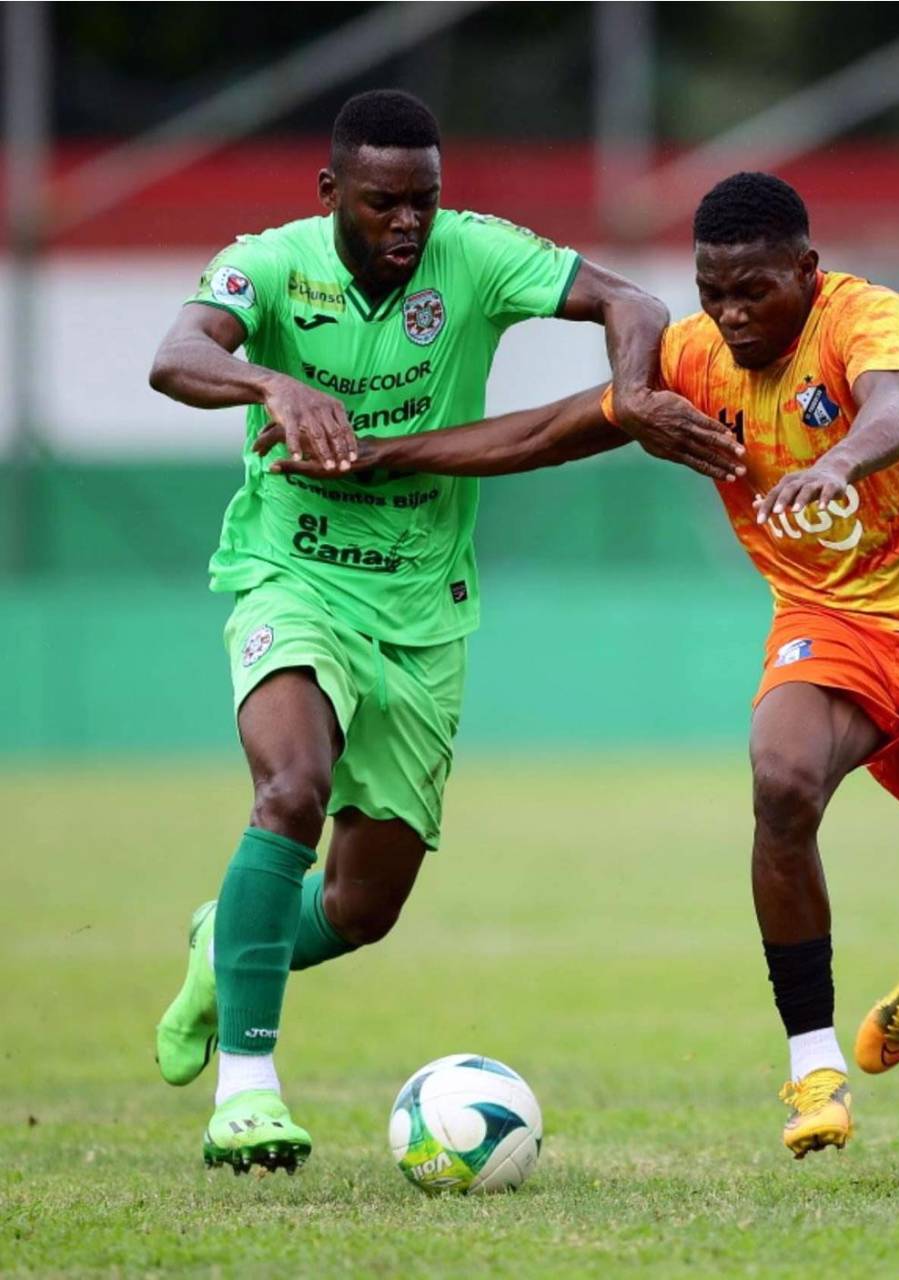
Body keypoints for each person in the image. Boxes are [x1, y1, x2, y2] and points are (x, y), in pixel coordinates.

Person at [269, 172, 899, 1160]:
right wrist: (390, 452)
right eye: (710, 291)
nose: (727, 314)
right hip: (833, 625)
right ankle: (814, 1068)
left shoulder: (862, 316)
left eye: (752, 291)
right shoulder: (691, 357)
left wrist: (841, 460)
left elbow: (897, 406)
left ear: (806, 272)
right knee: (784, 778)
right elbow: (553, 430)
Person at [148, 89, 742, 1175]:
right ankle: (246, 1089)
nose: (409, 224)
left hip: (423, 608)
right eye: (383, 204)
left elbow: (633, 302)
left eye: (425, 201)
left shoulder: (474, 254)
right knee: (291, 785)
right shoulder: (270, 264)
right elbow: (177, 353)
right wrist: (271, 382)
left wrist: (628, 398)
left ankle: (218, 946)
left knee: (364, 904)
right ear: (331, 193)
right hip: (293, 574)